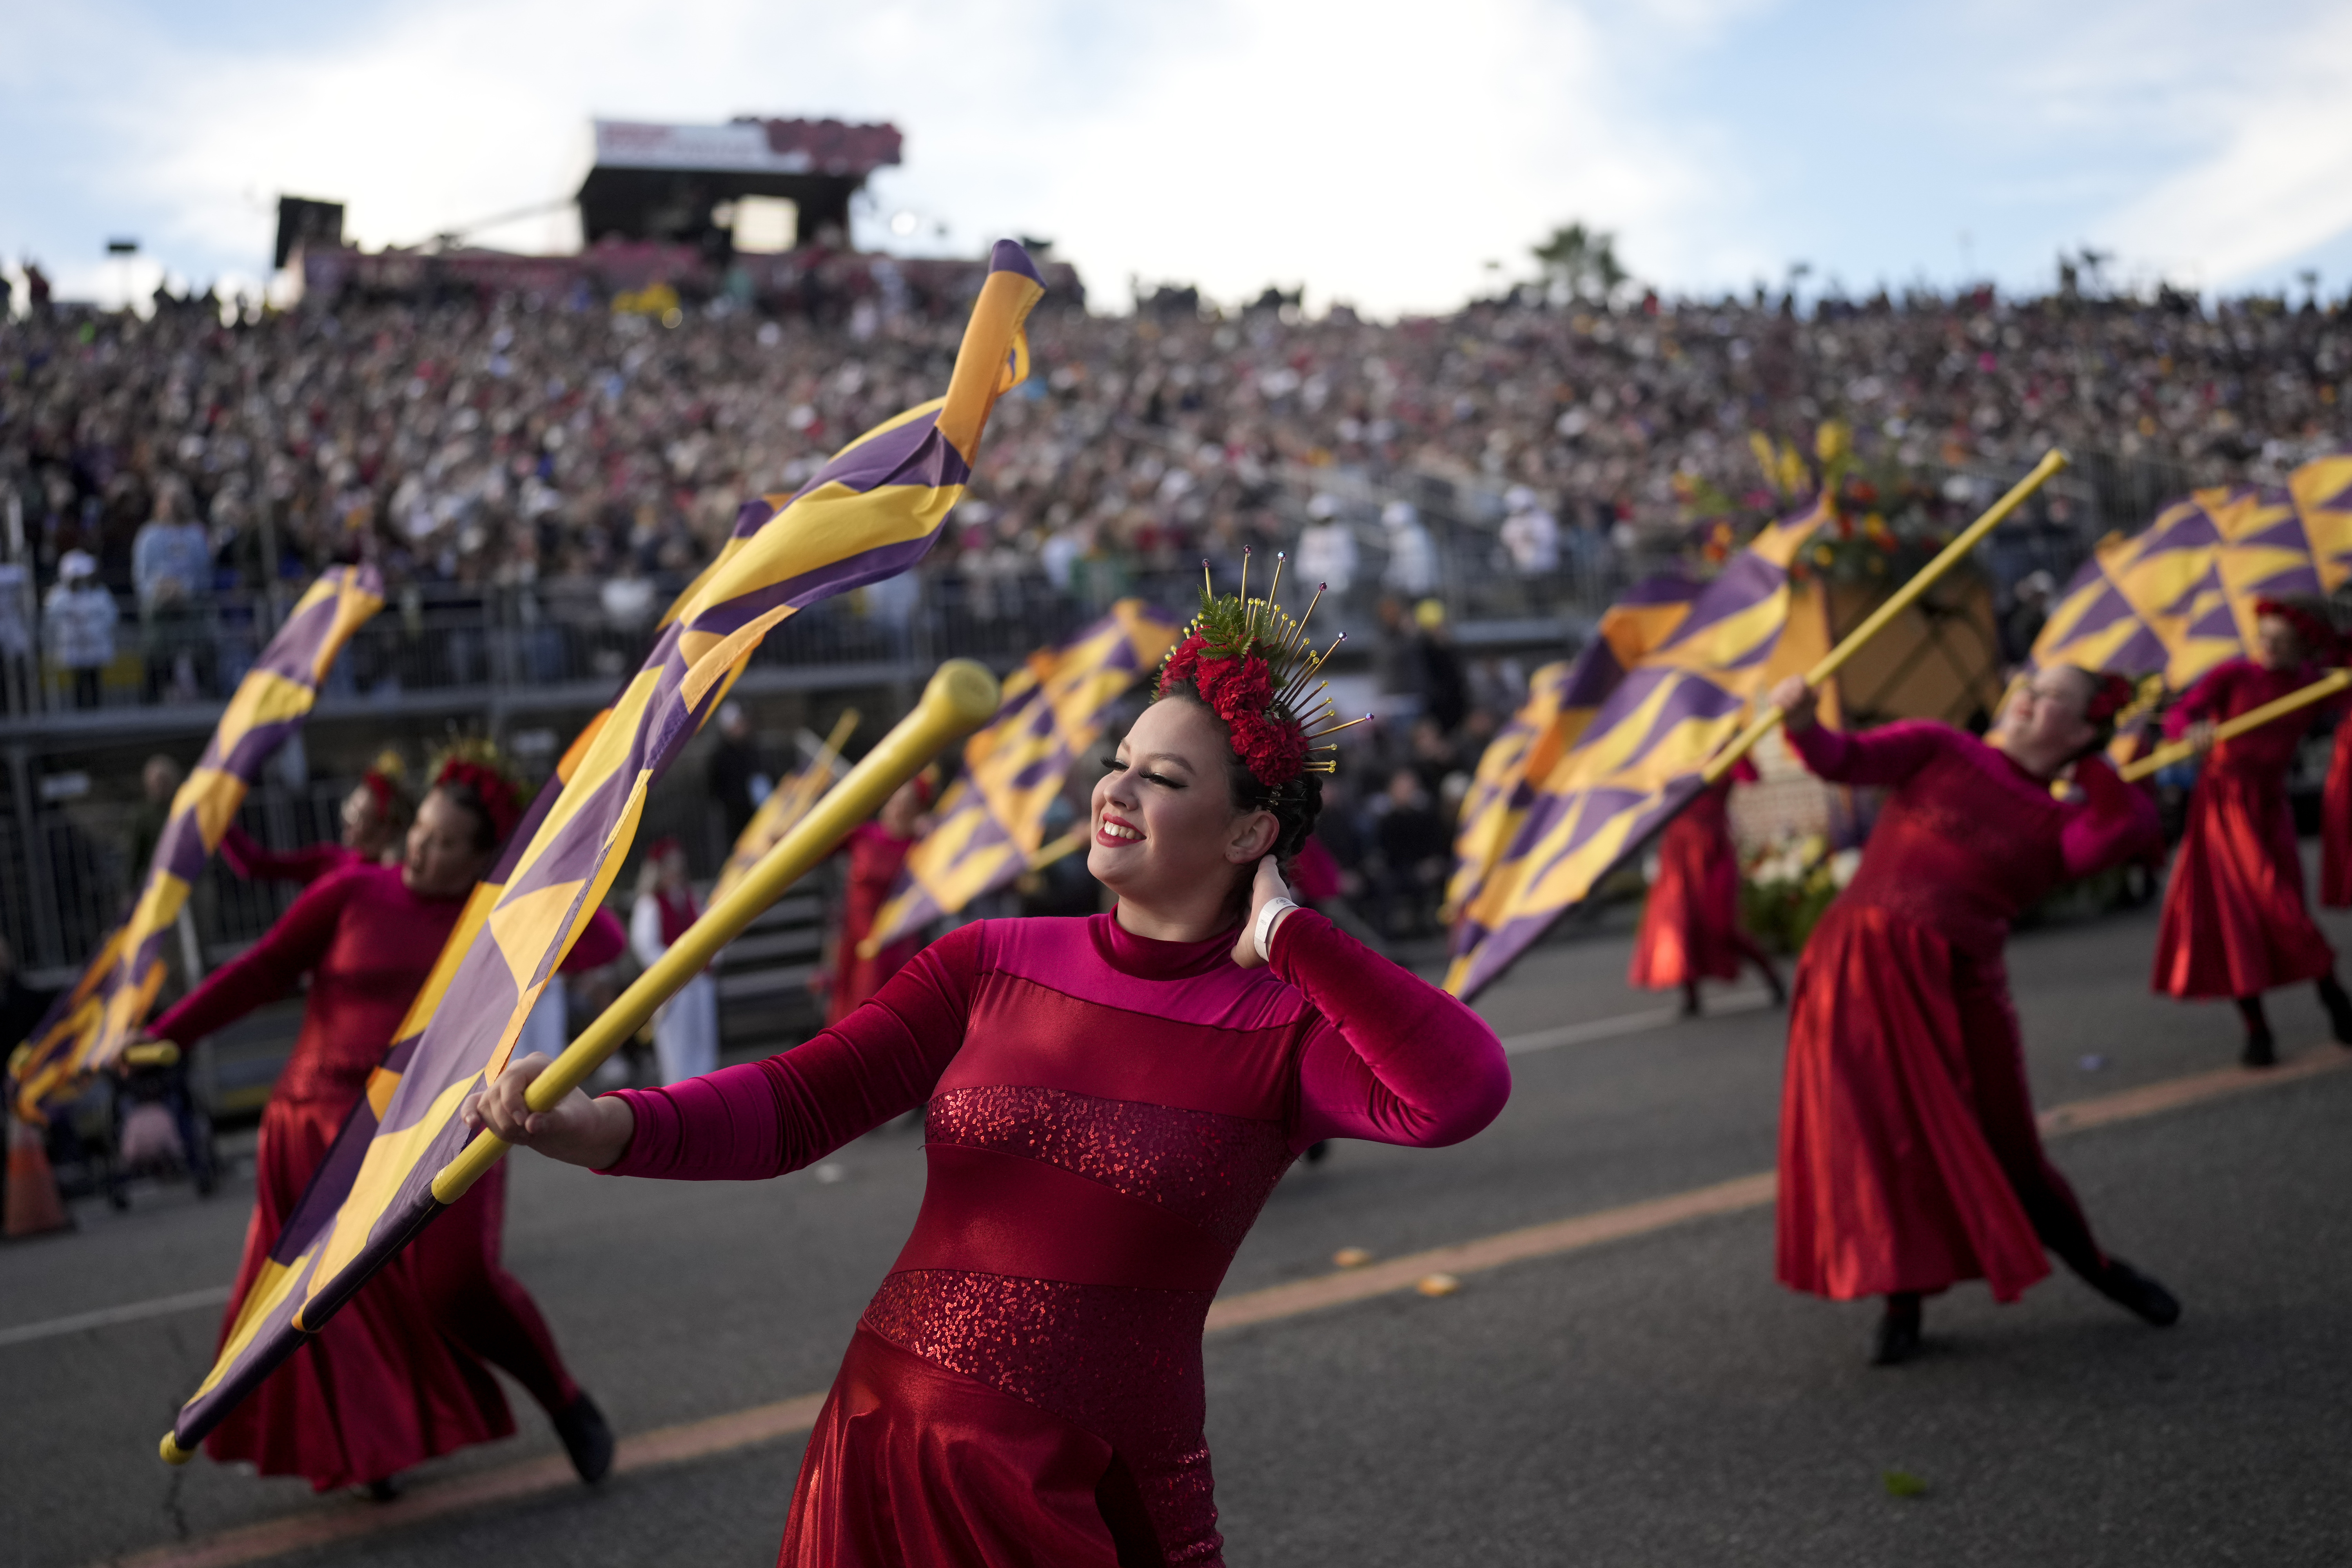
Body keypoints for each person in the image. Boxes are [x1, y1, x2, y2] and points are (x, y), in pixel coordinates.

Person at [466, 583, 1510, 1565]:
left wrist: (1293, 937)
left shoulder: (1285, 1023)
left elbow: (1461, 1092)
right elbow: (798, 1105)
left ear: (1250, 832)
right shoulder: (988, 959)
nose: (1118, 788)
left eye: (1166, 778)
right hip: (887, 1438)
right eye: (1123, 759)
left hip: (1090, 1477)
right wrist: (599, 1126)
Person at [147, 754, 625, 1495]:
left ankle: (564, 1399)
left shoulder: (500, 922)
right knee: (327, 1304)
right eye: (420, 831)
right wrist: (170, 1035)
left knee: (455, 1284)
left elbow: (606, 945)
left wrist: (538, 869)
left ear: (481, 860)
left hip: (440, 1125)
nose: (418, 850)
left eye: (443, 843)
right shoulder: (350, 890)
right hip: (315, 1127)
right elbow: (263, 971)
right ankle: (370, 1447)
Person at [1769, 665, 2180, 1365]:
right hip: (1855, 968)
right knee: (1880, 1139)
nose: (2027, 698)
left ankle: (2102, 1270)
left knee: (2012, 1147)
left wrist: (2106, 766)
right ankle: (1903, 1302)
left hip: (1963, 983)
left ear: (2082, 729)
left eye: (2054, 699)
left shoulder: (2062, 821)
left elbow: (2119, 832)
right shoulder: (1939, 745)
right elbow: (1843, 758)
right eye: (2030, 684)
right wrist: (1802, 721)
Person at [2150, 597, 2352, 1066]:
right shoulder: (2236, 674)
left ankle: (2332, 994)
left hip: (2270, 806)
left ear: (2304, 647)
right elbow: (2184, 713)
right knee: (2232, 918)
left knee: (2286, 908)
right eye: (2265, 638)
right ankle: (2258, 1028)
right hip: (2222, 810)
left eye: (2282, 643)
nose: (2270, 649)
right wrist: (2192, 730)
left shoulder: (2309, 684)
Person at [1629, 757, 1785, 1013]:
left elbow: (1751, 777)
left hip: (1714, 850)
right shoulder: (1674, 747)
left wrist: (1736, 742)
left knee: (1721, 923)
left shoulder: (1723, 745)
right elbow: (1648, 792)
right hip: (1678, 853)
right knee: (1682, 923)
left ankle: (1771, 976)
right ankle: (1691, 996)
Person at [824, 770, 934, 1026]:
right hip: (854, 941)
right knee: (846, 1018)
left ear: (917, 811)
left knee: (880, 1019)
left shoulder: (922, 845)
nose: (896, 809)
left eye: (905, 805)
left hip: (894, 944)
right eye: (894, 801)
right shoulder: (864, 835)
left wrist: (933, 832)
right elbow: (815, 850)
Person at [220, 753, 410, 885]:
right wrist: (220, 820)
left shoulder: (402, 875)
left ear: (385, 828)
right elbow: (257, 864)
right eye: (347, 810)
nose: (347, 821)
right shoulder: (330, 861)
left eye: (357, 816)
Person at [630, 836, 719, 1083]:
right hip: (672, 985)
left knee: (703, 1038)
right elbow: (646, 946)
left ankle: (707, 1088)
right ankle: (680, 1093)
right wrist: (677, 969)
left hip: (699, 980)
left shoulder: (691, 897)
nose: (676, 871)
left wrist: (706, 960)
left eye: (678, 865)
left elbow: (707, 931)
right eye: (670, 865)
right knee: (676, 1046)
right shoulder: (650, 903)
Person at [41, 550, 116, 710]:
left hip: (95, 645)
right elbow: (52, 619)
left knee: (94, 681)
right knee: (76, 684)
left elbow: (111, 616)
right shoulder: (58, 596)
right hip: (72, 646)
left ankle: (97, 713)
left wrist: (94, 629)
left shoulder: (99, 593)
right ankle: (78, 713)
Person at [706, 701, 766, 843]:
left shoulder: (752, 748)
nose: (743, 727)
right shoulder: (721, 756)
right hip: (736, 817)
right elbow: (714, 788)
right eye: (739, 723)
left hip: (758, 812)